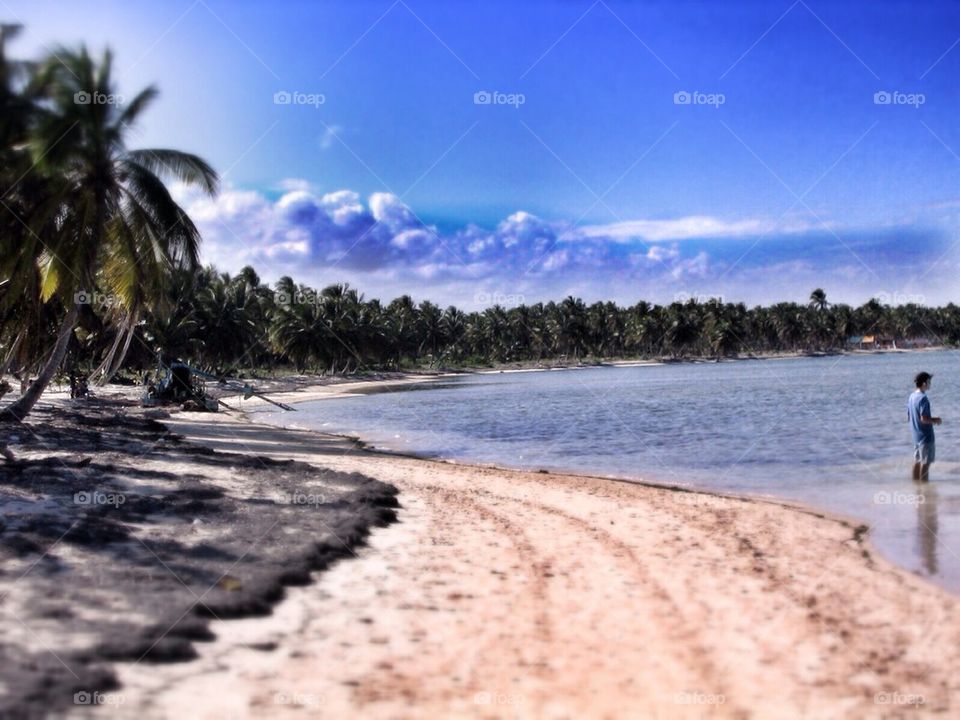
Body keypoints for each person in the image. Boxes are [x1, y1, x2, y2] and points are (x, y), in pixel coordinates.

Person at [908, 372, 942, 482]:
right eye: (929, 381)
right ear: (924, 383)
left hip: (916, 436)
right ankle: (924, 490)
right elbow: (923, 418)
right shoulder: (923, 398)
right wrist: (936, 420)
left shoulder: (912, 396)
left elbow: (910, 417)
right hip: (925, 437)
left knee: (917, 461)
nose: (930, 384)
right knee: (925, 464)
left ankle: (916, 486)